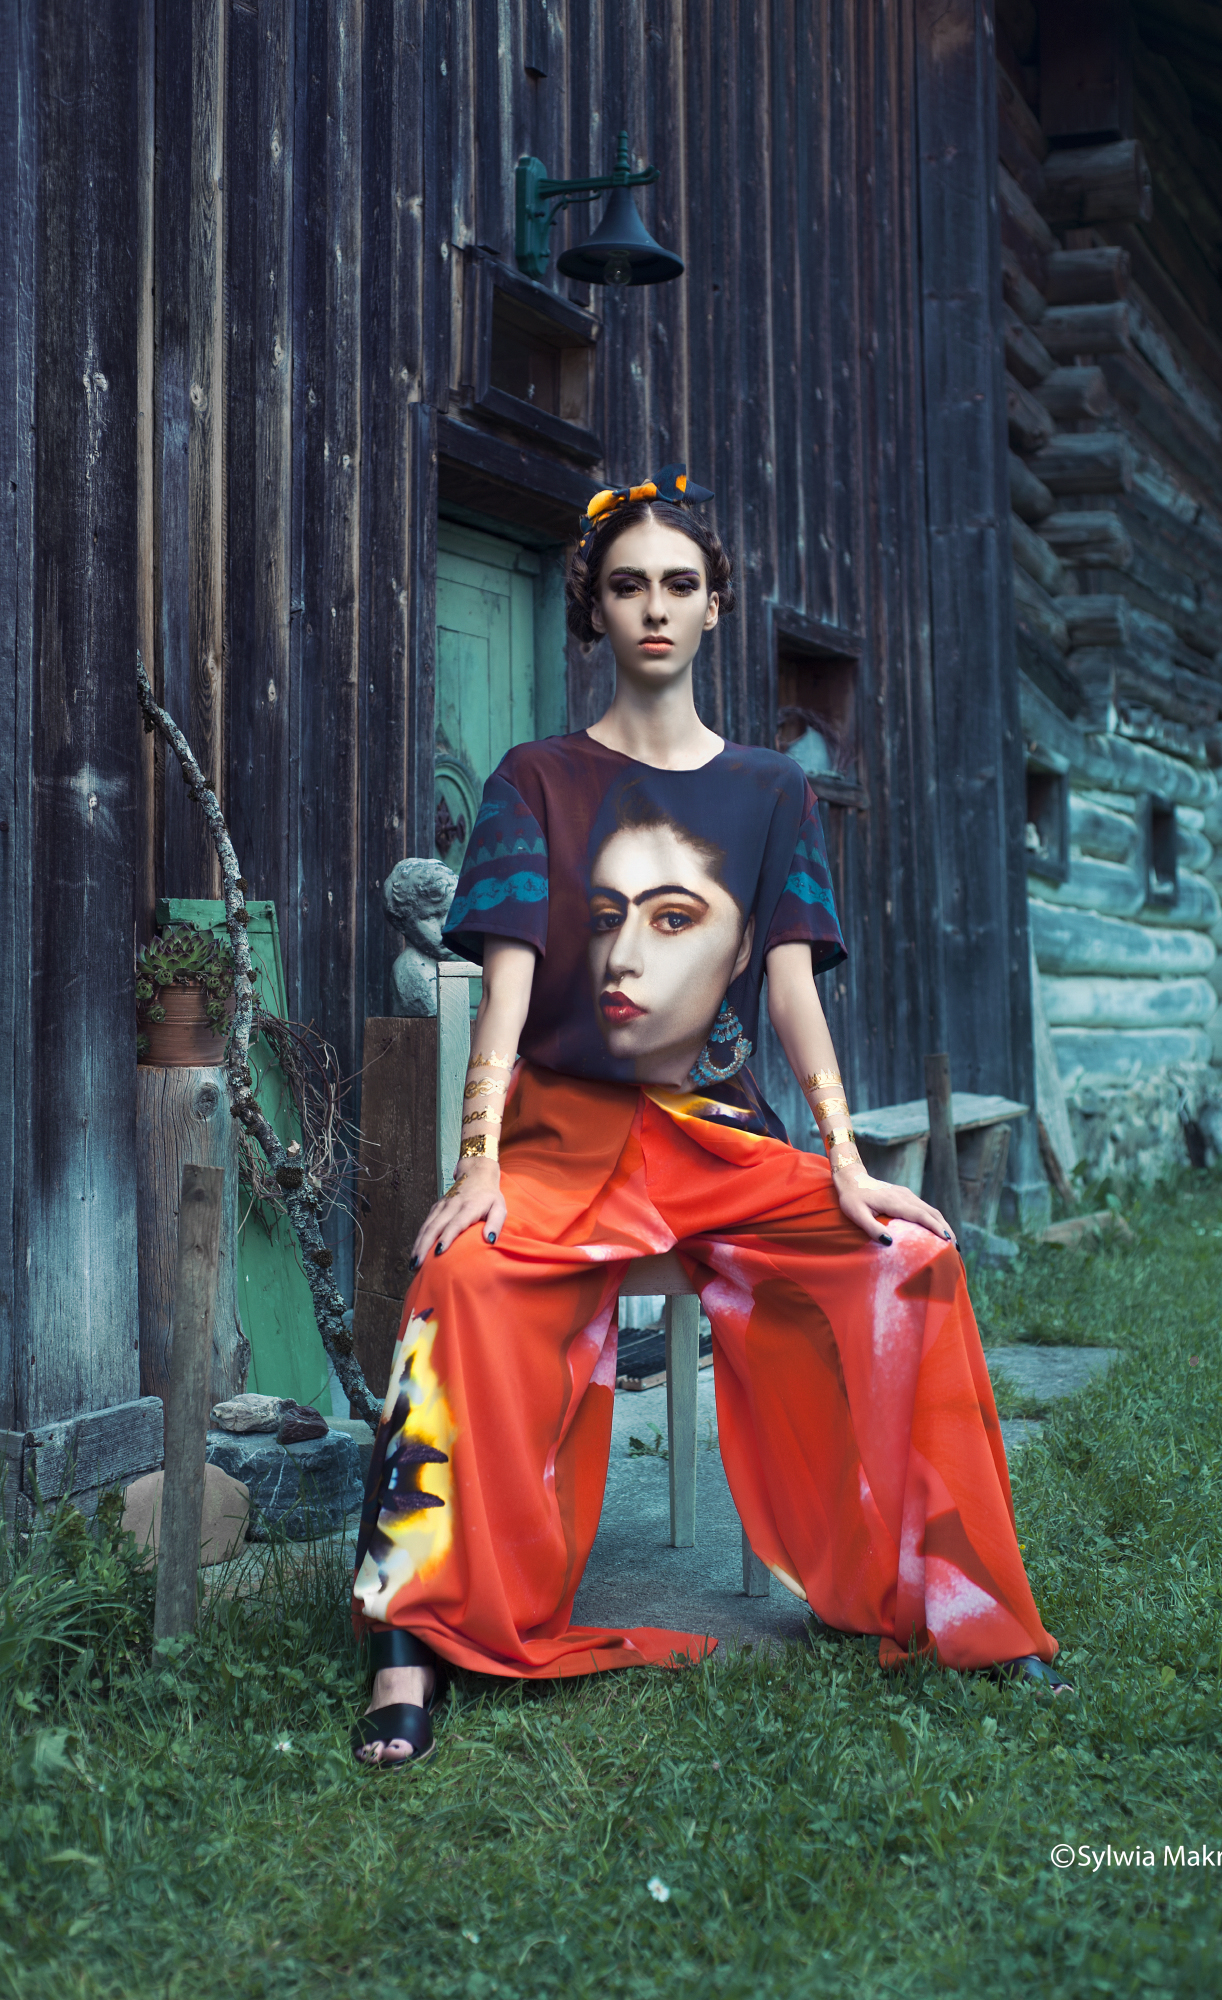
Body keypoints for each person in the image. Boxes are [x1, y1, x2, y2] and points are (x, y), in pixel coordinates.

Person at [352, 465, 1068, 1767]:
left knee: (912, 1259)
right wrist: (476, 1162)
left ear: (718, 604)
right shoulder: (536, 780)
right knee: (455, 1281)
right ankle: (413, 1641)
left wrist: (845, 1160)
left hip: (716, 1144)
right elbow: (503, 985)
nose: (655, 608)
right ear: (596, 609)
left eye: (680, 584)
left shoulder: (770, 793)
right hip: (562, 1138)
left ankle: (962, 1608)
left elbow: (793, 995)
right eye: (628, 586)